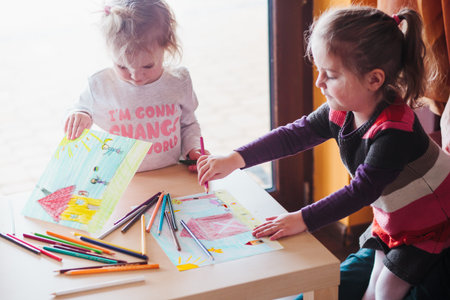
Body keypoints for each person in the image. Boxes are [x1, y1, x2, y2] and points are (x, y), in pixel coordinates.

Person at [197, 6, 450, 300]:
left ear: (374, 80)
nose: (319, 83)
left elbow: (360, 192)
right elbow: (294, 135)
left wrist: (301, 219)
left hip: (430, 222)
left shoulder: (394, 132)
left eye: (329, 75)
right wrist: (236, 158)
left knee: (385, 290)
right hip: (395, 217)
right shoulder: (343, 111)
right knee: (374, 281)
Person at [64, 0, 206, 171]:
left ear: (166, 47)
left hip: (170, 171)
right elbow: (78, 109)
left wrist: (193, 149)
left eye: (147, 66)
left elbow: (188, 124)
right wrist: (80, 114)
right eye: (122, 66)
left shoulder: (179, 81)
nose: (136, 77)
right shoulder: (100, 84)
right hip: (121, 178)